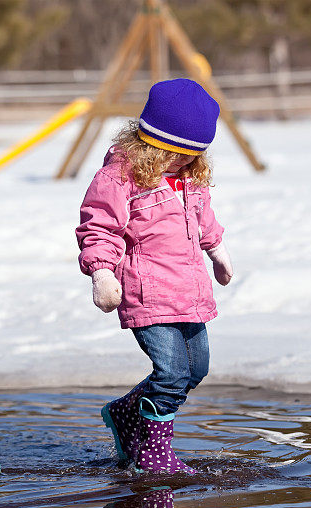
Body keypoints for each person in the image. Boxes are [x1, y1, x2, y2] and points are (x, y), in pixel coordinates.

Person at [76, 79, 233, 473]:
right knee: (171, 372)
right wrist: (101, 272)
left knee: (195, 370)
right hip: (146, 292)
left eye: (192, 154)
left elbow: (203, 219)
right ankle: (154, 454)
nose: (183, 161)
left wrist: (217, 249)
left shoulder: (191, 177)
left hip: (189, 288)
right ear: (149, 143)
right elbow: (100, 228)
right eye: (174, 153)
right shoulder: (119, 178)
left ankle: (126, 413)